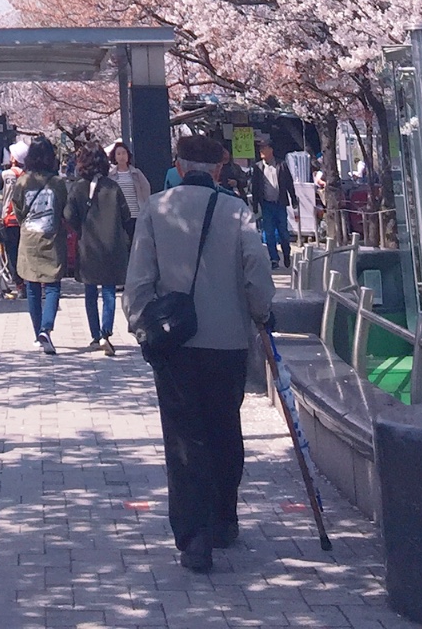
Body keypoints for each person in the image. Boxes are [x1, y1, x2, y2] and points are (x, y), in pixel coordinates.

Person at [124, 130, 275, 572]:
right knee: (225, 429)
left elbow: (139, 277)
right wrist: (262, 313)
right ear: (218, 169)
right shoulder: (236, 210)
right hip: (227, 342)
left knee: (184, 437)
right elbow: (257, 270)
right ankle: (224, 517)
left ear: (181, 167)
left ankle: (194, 536)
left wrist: (140, 327)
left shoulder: (156, 209)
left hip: (176, 344)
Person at [68, 143, 134, 354]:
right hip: (112, 246)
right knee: (108, 292)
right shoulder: (113, 187)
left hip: (89, 245)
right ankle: (107, 333)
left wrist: (81, 228)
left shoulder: (77, 187)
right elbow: (126, 216)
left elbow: (69, 215)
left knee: (90, 291)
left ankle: (95, 335)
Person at [10, 136, 68, 354]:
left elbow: (17, 209)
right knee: (53, 285)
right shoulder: (58, 183)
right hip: (52, 238)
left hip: (29, 238)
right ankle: (46, 328)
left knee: (32, 287)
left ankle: (38, 334)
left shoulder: (23, 181)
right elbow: (64, 208)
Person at [250, 140, 298, 271]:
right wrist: (255, 205)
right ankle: (274, 259)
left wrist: (293, 199)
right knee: (269, 232)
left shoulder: (281, 165)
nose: (261, 152)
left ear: (271, 150)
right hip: (266, 204)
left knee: (283, 231)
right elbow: (255, 187)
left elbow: (289, 183)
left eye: (264, 149)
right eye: (260, 149)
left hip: (280, 203)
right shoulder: (258, 167)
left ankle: (286, 253)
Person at [0, 138, 28, 293]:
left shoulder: (5, 174)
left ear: (14, 158)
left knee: (13, 253)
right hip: (26, 221)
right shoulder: (28, 176)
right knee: (25, 253)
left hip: (9, 221)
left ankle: (19, 284)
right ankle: (29, 283)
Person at [109, 139, 151, 218]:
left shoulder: (136, 173)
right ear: (114, 157)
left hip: (136, 214)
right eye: (118, 154)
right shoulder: (111, 175)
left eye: (124, 153)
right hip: (119, 216)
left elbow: (146, 188)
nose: (122, 156)